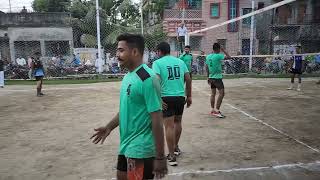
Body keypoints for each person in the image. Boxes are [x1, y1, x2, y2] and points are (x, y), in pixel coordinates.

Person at [90, 34, 167, 180]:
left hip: (141, 148)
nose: (117, 55)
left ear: (135, 52)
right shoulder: (128, 76)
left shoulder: (148, 78)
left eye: (121, 50)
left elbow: (157, 119)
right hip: (126, 145)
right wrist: (108, 127)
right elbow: (126, 110)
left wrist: (160, 157)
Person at [152, 42, 192, 166]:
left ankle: (171, 156)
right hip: (180, 97)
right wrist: (189, 95)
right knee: (178, 122)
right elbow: (188, 79)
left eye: (157, 51)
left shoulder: (157, 63)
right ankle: (175, 147)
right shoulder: (180, 62)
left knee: (169, 126)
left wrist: (158, 99)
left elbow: (156, 81)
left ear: (159, 51)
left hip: (166, 97)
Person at [206, 43, 231, 118]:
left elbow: (206, 67)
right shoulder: (218, 55)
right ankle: (217, 110)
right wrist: (223, 50)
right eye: (220, 49)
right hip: (217, 78)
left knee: (213, 94)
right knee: (221, 93)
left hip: (211, 77)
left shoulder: (208, 56)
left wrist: (208, 77)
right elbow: (229, 57)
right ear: (218, 49)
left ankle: (212, 109)